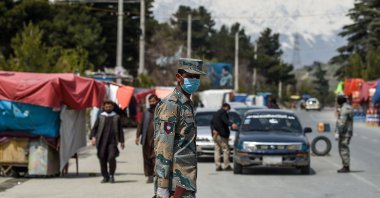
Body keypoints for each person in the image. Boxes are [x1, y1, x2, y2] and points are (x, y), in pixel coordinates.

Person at [154, 58, 206, 198]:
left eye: (197, 77)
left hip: (186, 179)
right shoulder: (171, 105)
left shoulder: (187, 103)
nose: (194, 80)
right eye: (190, 76)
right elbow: (163, 147)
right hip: (174, 182)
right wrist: (162, 186)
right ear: (179, 77)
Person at [90, 101, 125, 183]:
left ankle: (112, 175)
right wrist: (93, 137)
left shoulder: (116, 117)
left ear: (112, 107)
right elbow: (95, 128)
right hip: (101, 141)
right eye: (106, 107)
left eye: (110, 107)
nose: (108, 108)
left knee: (111, 157)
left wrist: (122, 141)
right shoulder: (101, 117)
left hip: (112, 141)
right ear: (104, 107)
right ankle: (105, 176)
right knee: (102, 158)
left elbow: (120, 130)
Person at [135, 94, 160, 183]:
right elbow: (140, 125)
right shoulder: (146, 113)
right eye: (150, 101)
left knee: (156, 158)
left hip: (158, 139)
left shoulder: (162, 111)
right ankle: (149, 175)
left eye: (153, 101)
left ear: (157, 100)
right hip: (146, 139)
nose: (152, 103)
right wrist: (138, 136)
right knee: (147, 158)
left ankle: (156, 175)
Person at [210, 103, 238, 171]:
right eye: (228, 109)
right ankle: (226, 166)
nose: (228, 111)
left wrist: (213, 129)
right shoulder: (223, 112)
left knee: (217, 150)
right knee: (226, 150)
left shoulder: (216, 113)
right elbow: (225, 121)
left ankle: (218, 166)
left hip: (215, 134)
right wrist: (232, 124)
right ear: (226, 107)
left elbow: (211, 123)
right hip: (222, 135)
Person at [335, 95, 353, 173]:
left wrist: (338, 132)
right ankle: (345, 165)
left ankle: (346, 166)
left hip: (344, 132)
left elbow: (342, 122)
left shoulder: (345, 109)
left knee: (343, 148)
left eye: (338, 100)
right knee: (344, 148)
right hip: (347, 131)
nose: (337, 101)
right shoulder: (347, 107)